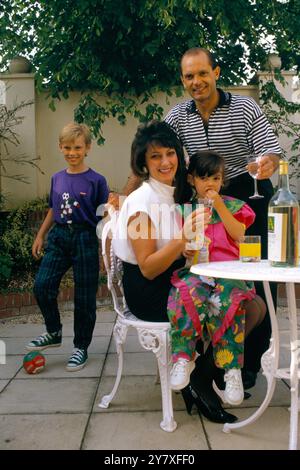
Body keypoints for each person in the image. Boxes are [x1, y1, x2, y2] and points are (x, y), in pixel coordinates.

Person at [163, 47, 282, 389]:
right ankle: (208, 358)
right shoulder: (178, 116)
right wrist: (128, 190)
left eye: (203, 73)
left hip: (249, 195)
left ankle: (247, 366)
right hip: (206, 200)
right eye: (189, 76)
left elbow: (269, 150)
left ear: (216, 72)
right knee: (206, 274)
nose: (196, 81)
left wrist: (268, 164)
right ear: (183, 80)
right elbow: (156, 151)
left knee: (257, 280)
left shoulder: (244, 106)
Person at [113, 120, 238, 423]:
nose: (166, 162)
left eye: (170, 153)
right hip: (148, 290)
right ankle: (202, 379)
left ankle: (201, 374)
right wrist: (183, 240)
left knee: (247, 300)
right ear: (143, 162)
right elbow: (148, 267)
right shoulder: (141, 203)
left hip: (175, 279)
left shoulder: (173, 193)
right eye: (155, 156)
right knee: (242, 306)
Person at [167, 150, 266, 408]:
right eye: (204, 178)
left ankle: (231, 368)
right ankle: (183, 357)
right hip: (198, 270)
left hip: (229, 273)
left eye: (216, 178)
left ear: (223, 180)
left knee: (228, 300)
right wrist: (185, 249)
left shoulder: (234, 206)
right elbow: (181, 243)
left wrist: (219, 205)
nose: (210, 183)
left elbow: (240, 235)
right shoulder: (184, 210)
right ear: (191, 180)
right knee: (185, 292)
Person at [26, 122, 109, 371]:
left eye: (77, 147)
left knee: (84, 297)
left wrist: (105, 249)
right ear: (60, 147)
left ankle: (80, 347)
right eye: (67, 147)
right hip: (59, 237)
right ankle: (54, 331)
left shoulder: (97, 180)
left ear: (87, 148)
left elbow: (105, 216)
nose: (72, 152)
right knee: (42, 286)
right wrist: (41, 234)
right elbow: (53, 209)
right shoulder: (57, 178)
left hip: (85, 238)